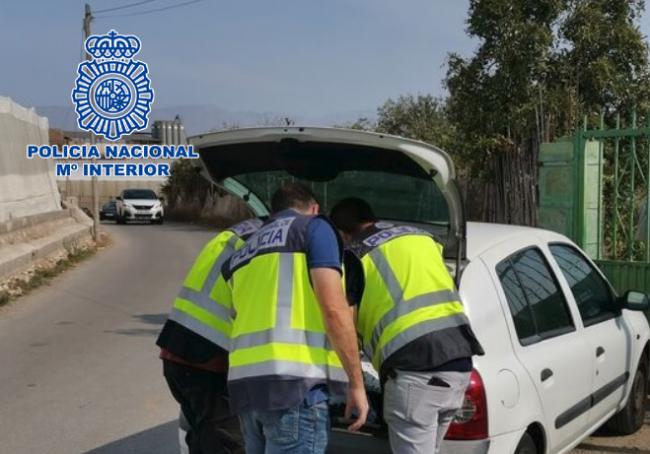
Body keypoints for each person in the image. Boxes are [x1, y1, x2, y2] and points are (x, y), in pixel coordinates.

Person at [220, 183, 369, 454]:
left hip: (247, 390)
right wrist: (356, 384)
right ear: (314, 209)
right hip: (295, 390)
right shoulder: (314, 227)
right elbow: (334, 311)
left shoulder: (244, 249)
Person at [330, 198, 484, 454]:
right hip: (459, 362)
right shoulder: (421, 237)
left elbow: (343, 320)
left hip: (416, 372)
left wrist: (352, 381)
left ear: (341, 233)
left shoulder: (354, 253)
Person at [156, 217, 263, 454]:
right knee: (229, 443)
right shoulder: (268, 245)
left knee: (203, 438)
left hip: (177, 352)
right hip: (207, 361)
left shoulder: (241, 232)